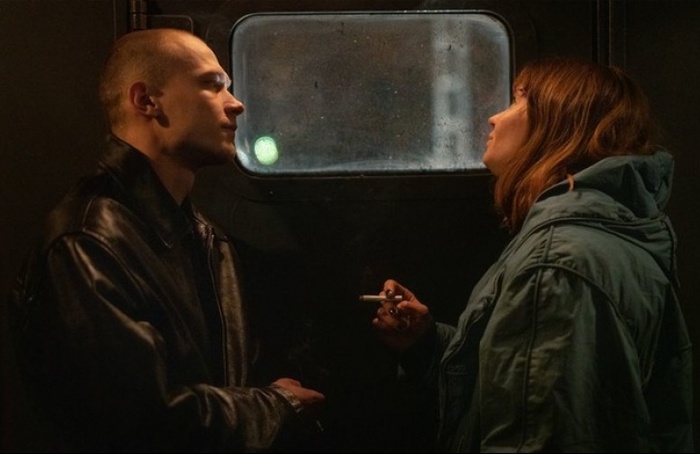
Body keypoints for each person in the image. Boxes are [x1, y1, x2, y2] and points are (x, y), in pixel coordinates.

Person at [7, 28, 324, 452]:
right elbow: (142, 421)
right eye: (212, 85)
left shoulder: (203, 235)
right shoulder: (89, 242)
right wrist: (274, 407)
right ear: (146, 101)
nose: (236, 103)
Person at [371, 57, 693, 452]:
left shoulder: (556, 264)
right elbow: (517, 385)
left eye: (518, 100)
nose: (494, 118)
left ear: (557, 126)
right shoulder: (595, 238)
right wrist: (425, 344)